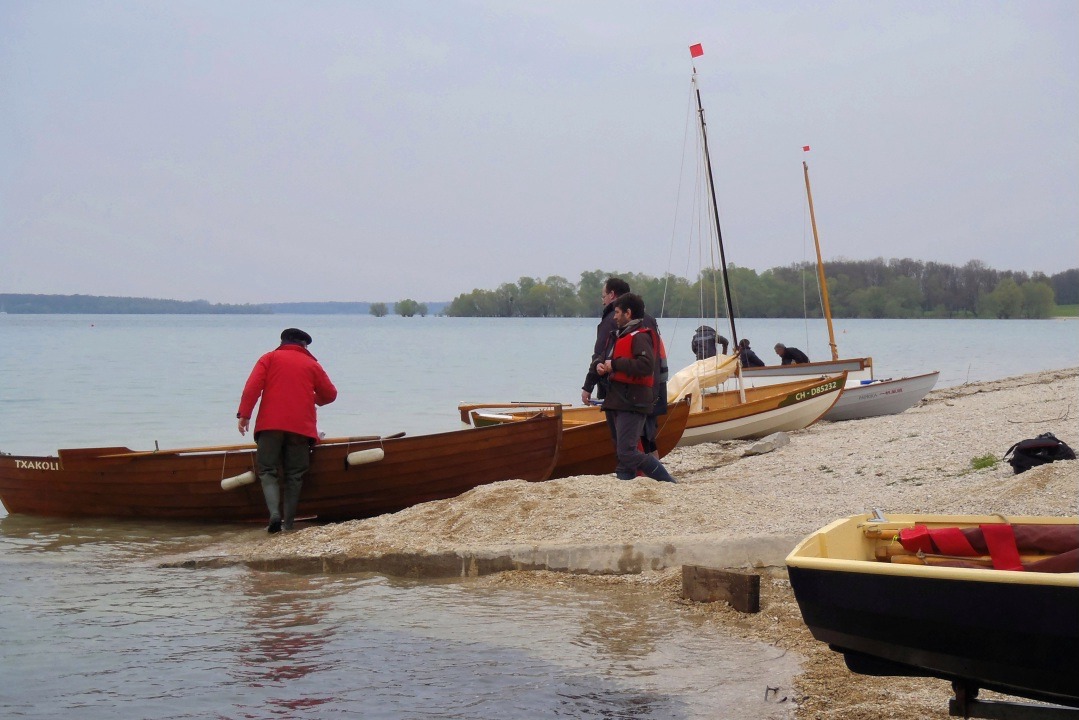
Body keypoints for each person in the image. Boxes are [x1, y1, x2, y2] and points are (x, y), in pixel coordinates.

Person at [237, 328, 338, 533]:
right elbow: (330, 394)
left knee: (267, 470)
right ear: (303, 345)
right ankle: (289, 524)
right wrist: (312, 400)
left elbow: (252, 388)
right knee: (295, 475)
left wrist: (244, 415)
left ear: (282, 342)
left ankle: (274, 514)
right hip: (301, 429)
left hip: (269, 426)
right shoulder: (312, 365)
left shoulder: (269, 358)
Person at [595, 293, 677, 483]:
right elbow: (606, 357)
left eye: (617, 312)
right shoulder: (619, 335)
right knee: (623, 452)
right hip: (619, 399)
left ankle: (668, 482)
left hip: (633, 401)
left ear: (628, 313)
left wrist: (614, 365)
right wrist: (600, 365)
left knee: (627, 452)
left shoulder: (640, 337)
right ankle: (626, 482)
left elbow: (646, 366)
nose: (614, 316)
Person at [581, 277, 667, 456]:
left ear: (612, 295)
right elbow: (657, 359)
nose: (603, 301)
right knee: (647, 436)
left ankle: (647, 474)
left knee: (627, 441)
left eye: (603, 296)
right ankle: (651, 473)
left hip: (625, 394)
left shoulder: (615, 321)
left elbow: (600, 355)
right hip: (651, 388)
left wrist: (588, 385)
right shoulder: (648, 319)